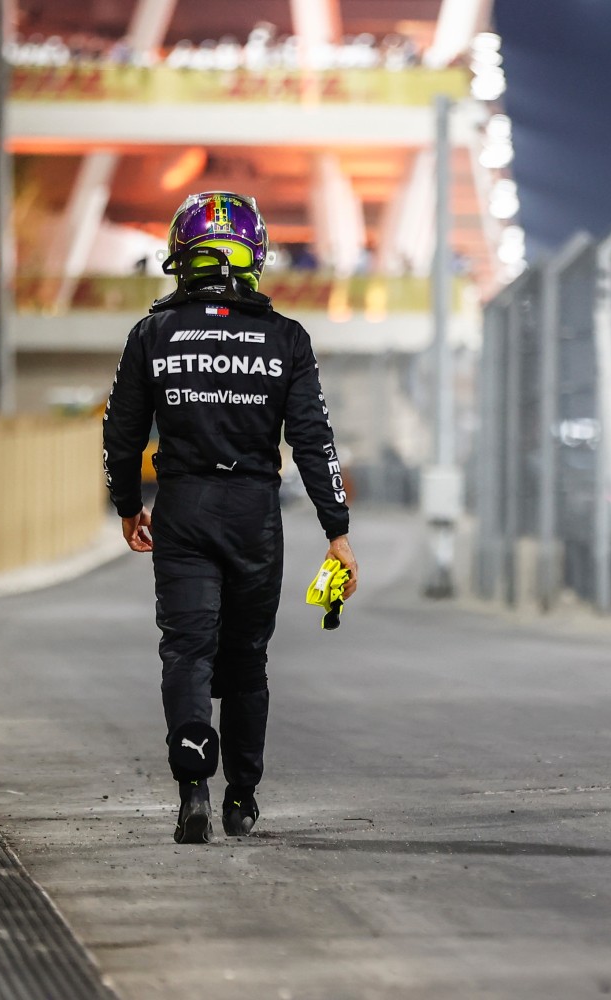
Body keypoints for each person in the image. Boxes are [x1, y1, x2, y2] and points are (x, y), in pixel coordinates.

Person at [102, 191, 357, 844]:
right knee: (245, 659)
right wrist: (337, 531)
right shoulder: (286, 339)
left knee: (186, 650)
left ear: (180, 258)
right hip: (252, 516)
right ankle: (242, 793)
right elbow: (313, 440)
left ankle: (193, 782)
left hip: (182, 510)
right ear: (255, 258)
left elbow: (122, 432)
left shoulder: (153, 333)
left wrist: (129, 506)